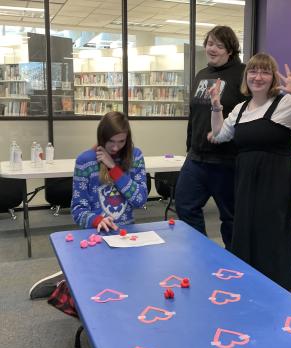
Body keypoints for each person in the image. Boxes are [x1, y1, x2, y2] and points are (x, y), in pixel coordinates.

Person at [209, 53, 291, 304]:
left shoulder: (287, 104)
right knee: (247, 233)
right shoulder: (240, 109)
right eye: (253, 71)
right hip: (246, 182)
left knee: (273, 235)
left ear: (272, 77)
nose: (258, 76)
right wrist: (216, 106)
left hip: (276, 182)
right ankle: (256, 288)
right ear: (247, 76)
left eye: (265, 71)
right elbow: (219, 135)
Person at [29, 111, 148, 299]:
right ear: (101, 137)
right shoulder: (85, 161)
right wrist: (97, 220)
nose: (116, 147)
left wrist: (113, 168)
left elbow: (140, 199)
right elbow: (78, 210)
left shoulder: (135, 156)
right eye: (111, 141)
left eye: (121, 141)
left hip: (127, 234)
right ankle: (66, 281)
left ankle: (70, 277)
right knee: (97, 290)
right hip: (96, 234)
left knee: (132, 285)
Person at [174, 25, 246, 250]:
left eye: (219, 45)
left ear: (230, 49)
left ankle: (235, 264)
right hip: (196, 158)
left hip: (227, 160)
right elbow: (194, 114)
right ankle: (203, 254)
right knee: (185, 206)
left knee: (231, 218)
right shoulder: (201, 75)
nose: (212, 49)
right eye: (210, 43)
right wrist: (189, 146)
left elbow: (251, 114)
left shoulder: (243, 74)